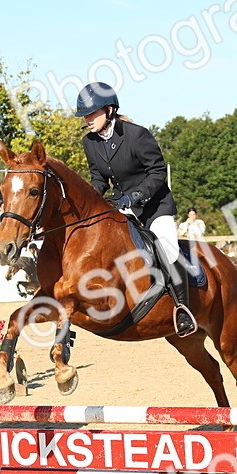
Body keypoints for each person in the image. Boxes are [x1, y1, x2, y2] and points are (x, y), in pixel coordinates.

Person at [75, 81, 197, 337]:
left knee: (167, 247)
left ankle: (183, 309)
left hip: (154, 206)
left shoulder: (136, 134)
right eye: (85, 116)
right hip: (121, 206)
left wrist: (135, 196)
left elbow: (157, 172)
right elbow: (99, 180)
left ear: (109, 110)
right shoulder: (90, 142)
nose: (87, 120)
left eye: (91, 113)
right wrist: (86, 200)